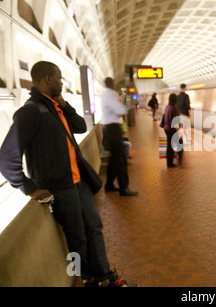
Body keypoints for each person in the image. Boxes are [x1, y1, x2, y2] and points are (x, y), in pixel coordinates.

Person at [0, 61, 130, 286]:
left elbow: (80, 126)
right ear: (48, 79)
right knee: (77, 238)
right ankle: (87, 278)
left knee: (94, 227)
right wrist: (29, 188)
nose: (62, 82)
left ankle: (105, 276)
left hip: (78, 183)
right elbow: (6, 158)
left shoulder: (54, 108)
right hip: (60, 188)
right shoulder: (31, 112)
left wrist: (64, 103)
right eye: (59, 78)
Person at [100, 77, 137, 196]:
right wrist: (124, 106)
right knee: (120, 159)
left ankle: (109, 185)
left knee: (114, 158)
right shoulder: (111, 95)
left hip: (108, 128)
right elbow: (120, 110)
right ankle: (124, 188)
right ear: (112, 84)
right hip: (112, 128)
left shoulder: (105, 94)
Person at [163, 93, 183, 168]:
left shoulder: (167, 107)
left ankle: (169, 162)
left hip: (167, 128)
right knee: (179, 143)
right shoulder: (174, 108)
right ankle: (178, 162)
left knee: (169, 146)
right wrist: (179, 133)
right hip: (172, 130)